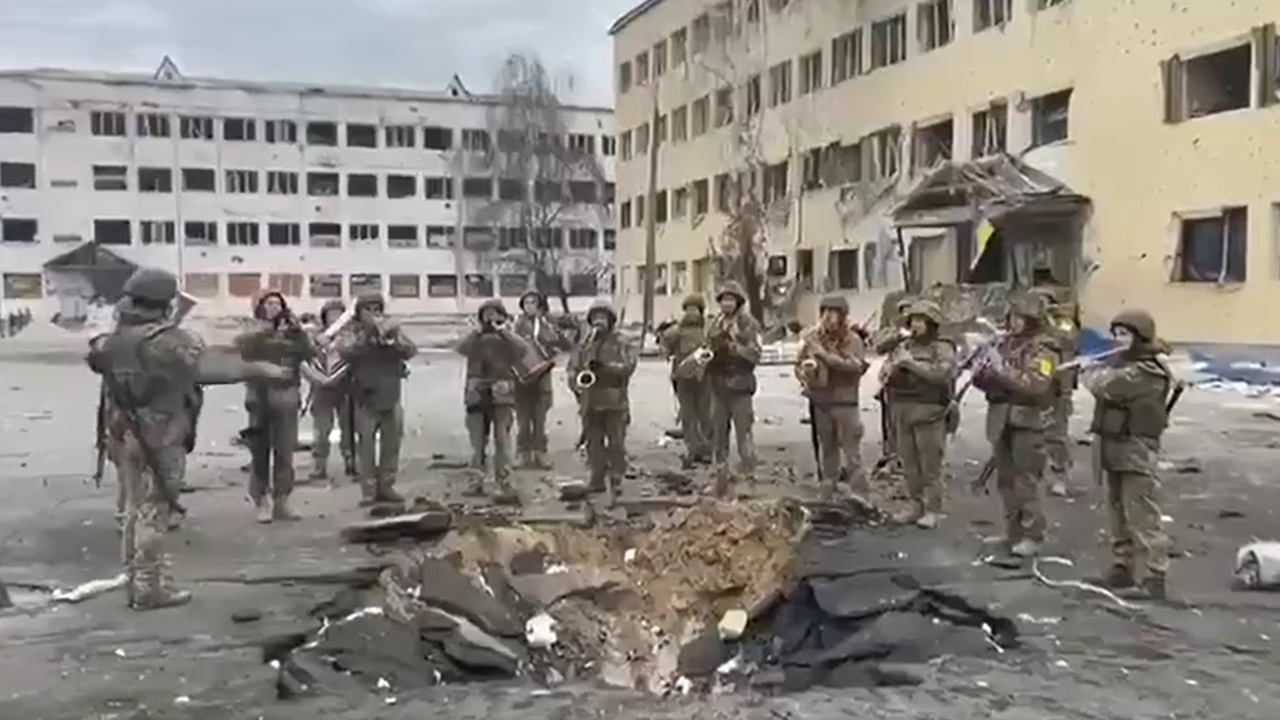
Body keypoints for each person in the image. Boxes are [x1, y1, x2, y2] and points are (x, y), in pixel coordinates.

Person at [87, 266, 286, 610]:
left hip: (123, 432)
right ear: (165, 303)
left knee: (135, 509)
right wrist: (261, 369)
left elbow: (105, 357)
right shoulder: (169, 341)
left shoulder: (112, 341)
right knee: (154, 510)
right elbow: (207, 369)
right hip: (160, 435)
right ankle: (149, 588)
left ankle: (137, 582)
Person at [1081, 309, 1174, 600]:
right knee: (1117, 510)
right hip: (1114, 446)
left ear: (1140, 337)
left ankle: (1153, 576)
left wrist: (1089, 370)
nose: (1119, 340)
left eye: (1126, 334)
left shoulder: (1148, 371)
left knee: (1141, 513)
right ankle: (1122, 568)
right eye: (1117, 334)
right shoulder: (1121, 363)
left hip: (1136, 449)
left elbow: (1108, 387)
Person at [972, 294, 1059, 558]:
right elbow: (985, 381)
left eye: (1021, 318)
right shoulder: (1005, 345)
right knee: (1006, 481)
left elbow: (1035, 384)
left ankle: (1033, 534)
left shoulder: (1044, 349)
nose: (1015, 323)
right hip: (1001, 417)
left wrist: (1001, 371)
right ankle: (1012, 532)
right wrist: (983, 372)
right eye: (1012, 317)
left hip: (1027, 421)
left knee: (1027, 481)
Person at [234, 291, 316, 522]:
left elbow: (310, 354)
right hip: (259, 398)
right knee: (260, 452)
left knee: (285, 452)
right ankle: (262, 500)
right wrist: (262, 333)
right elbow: (241, 351)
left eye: (277, 303)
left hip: (286, 396)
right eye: (268, 303)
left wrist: (299, 334)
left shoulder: (291, 334)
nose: (273, 307)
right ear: (260, 306)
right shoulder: (252, 332)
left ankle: (282, 500)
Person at [335, 293, 417, 506]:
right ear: (359, 312)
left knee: (392, 443)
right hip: (365, 396)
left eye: (377, 309)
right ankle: (368, 490)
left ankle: (387, 485)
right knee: (366, 446)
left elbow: (411, 351)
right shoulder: (352, 332)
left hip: (391, 394)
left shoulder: (392, 329)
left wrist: (391, 339)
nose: (374, 313)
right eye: (368, 309)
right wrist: (368, 337)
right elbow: (345, 351)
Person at [881, 301, 956, 528]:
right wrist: (892, 369)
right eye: (913, 320)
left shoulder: (941, 347)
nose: (916, 325)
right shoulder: (903, 345)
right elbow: (885, 372)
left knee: (930, 465)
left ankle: (933, 508)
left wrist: (911, 365)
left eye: (922, 321)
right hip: (902, 408)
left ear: (931, 323)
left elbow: (941, 375)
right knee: (909, 463)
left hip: (929, 411)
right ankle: (914, 504)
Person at [794, 295, 870, 499]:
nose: (828, 317)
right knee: (827, 450)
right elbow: (799, 363)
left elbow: (856, 366)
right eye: (825, 312)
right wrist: (806, 372)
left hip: (845, 402)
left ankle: (860, 496)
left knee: (851, 453)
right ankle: (828, 492)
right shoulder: (813, 337)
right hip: (821, 402)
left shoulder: (852, 339)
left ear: (843, 316)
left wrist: (825, 356)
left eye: (833, 313)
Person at [456, 299, 531, 499]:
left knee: (502, 441)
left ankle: (504, 482)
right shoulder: (476, 338)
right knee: (477, 442)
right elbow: (460, 348)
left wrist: (503, 331)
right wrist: (478, 331)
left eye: (495, 313)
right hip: (477, 393)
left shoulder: (507, 339)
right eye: (486, 314)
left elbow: (523, 350)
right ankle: (476, 482)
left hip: (501, 394)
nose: (490, 318)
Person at [566, 301, 637, 505]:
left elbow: (628, 367)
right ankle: (597, 478)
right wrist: (576, 383)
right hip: (591, 401)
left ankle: (617, 478)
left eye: (602, 318)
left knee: (616, 443)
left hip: (615, 400)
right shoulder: (585, 343)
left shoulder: (621, 342)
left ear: (610, 321)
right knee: (593, 443)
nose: (599, 322)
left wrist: (606, 366)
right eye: (595, 318)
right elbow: (573, 367)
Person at [704, 282, 762, 484]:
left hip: (740, 383)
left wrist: (734, 346)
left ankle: (749, 470)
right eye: (724, 300)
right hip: (718, 383)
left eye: (731, 300)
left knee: (743, 431)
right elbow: (706, 347)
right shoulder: (714, 323)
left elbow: (755, 354)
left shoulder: (747, 323)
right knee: (718, 430)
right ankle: (720, 469)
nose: (727, 304)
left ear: (738, 302)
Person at [1030, 287, 1080, 497]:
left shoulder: (1062, 325)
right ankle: (1037, 473)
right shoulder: (1030, 325)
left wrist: (1067, 393)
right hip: (1032, 386)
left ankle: (1060, 474)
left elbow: (1068, 347)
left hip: (1057, 388)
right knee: (1032, 433)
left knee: (1055, 435)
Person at [511, 290, 569, 470]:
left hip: (542, 375)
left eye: (533, 303)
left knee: (539, 419)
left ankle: (540, 454)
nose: (529, 306)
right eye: (526, 303)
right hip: (521, 377)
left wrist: (549, 334)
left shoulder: (545, 324)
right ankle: (523, 455)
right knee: (523, 420)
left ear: (540, 306)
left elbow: (561, 344)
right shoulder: (515, 324)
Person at [661, 294, 713, 468]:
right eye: (688, 309)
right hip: (683, 379)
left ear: (701, 311)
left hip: (705, 377)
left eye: (695, 309)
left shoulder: (710, 329)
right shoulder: (676, 331)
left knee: (706, 415)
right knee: (688, 415)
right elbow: (665, 349)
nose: (691, 313)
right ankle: (693, 448)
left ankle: (707, 449)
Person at [307, 300, 356, 483]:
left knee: (348, 429)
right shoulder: (317, 337)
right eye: (331, 314)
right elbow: (310, 359)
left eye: (338, 314)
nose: (334, 318)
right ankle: (319, 466)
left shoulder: (350, 337)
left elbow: (353, 360)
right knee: (321, 430)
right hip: (322, 389)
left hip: (345, 388)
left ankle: (351, 463)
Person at [871, 298, 915, 468]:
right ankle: (890, 454)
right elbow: (879, 347)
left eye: (910, 310)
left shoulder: (925, 333)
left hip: (913, 384)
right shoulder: (895, 332)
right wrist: (898, 337)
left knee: (907, 423)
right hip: (892, 383)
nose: (906, 314)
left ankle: (906, 457)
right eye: (903, 310)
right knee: (890, 422)